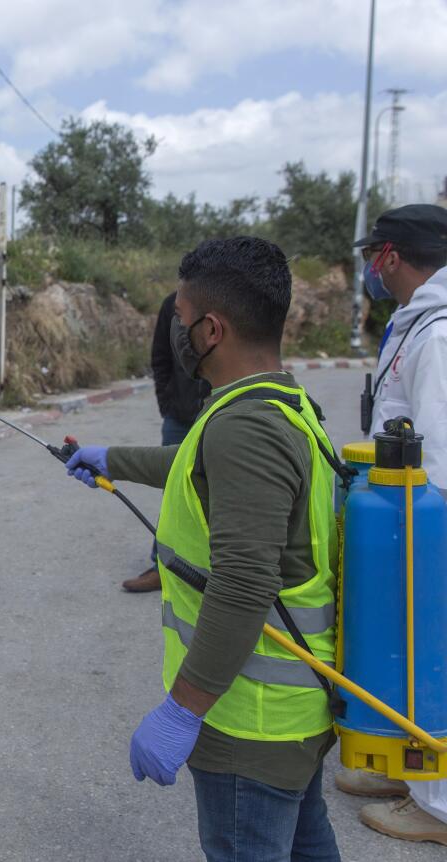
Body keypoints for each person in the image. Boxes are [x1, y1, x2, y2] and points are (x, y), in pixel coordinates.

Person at [66, 237, 341, 861]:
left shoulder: (245, 427)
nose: (177, 333)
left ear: (212, 329)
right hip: (293, 711)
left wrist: (181, 710)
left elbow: (244, 582)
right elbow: (195, 466)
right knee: (307, 845)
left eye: (180, 321)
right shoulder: (280, 403)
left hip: (251, 722)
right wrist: (111, 458)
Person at [336, 203, 447, 845]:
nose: (370, 270)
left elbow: (440, 451)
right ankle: (411, 767)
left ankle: (437, 805)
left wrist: (419, 537)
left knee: (432, 652)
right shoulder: (419, 320)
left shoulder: (437, 333)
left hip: (426, 519)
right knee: (408, 651)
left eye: (373, 256)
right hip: (406, 512)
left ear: (392, 257)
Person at [123, 292, 211, 593]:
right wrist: (167, 403)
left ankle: (210, 566)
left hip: (217, 413)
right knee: (173, 490)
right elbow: (160, 358)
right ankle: (162, 563)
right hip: (179, 416)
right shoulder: (171, 306)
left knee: (213, 490)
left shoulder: (226, 304)